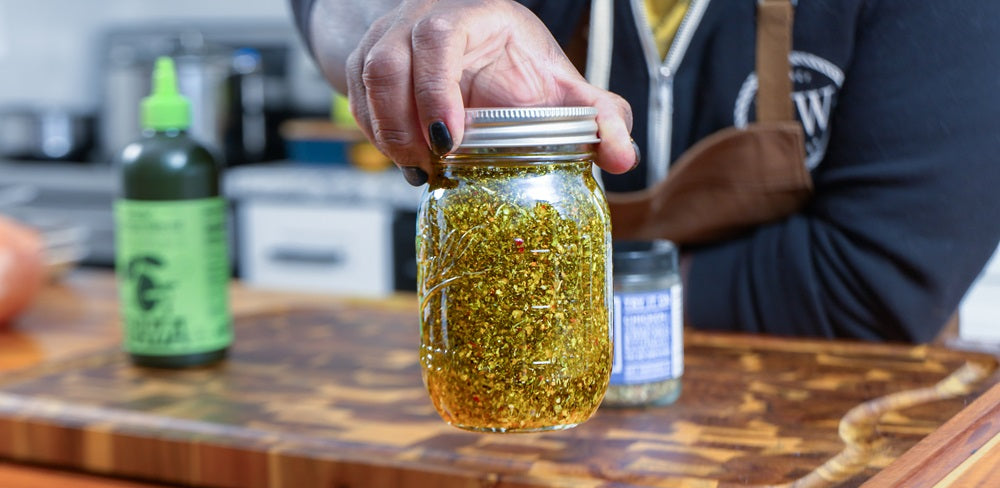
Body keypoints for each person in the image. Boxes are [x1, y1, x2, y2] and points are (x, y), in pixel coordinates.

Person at [288, 0, 1000, 343]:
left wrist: (550, 298)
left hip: (838, 437)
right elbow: (335, 10)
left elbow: (874, 288)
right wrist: (408, 28)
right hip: (530, 418)